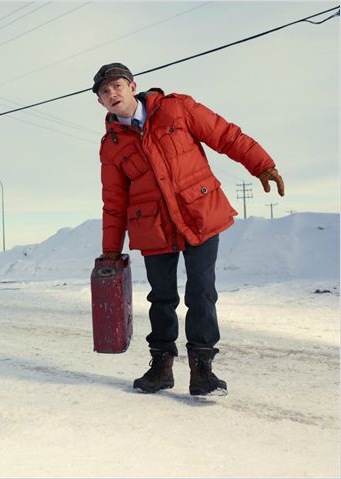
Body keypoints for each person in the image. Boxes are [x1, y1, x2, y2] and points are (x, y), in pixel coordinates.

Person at [93, 63, 285, 396]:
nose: (112, 94)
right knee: (162, 297)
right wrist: (111, 250)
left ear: (132, 86)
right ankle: (161, 366)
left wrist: (261, 163)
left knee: (201, 292)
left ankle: (202, 369)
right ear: (100, 102)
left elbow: (225, 135)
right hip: (152, 226)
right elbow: (114, 201)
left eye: (117, 86)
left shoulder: (176, 107)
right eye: (104, 92)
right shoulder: (111, 145)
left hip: (200, 213)